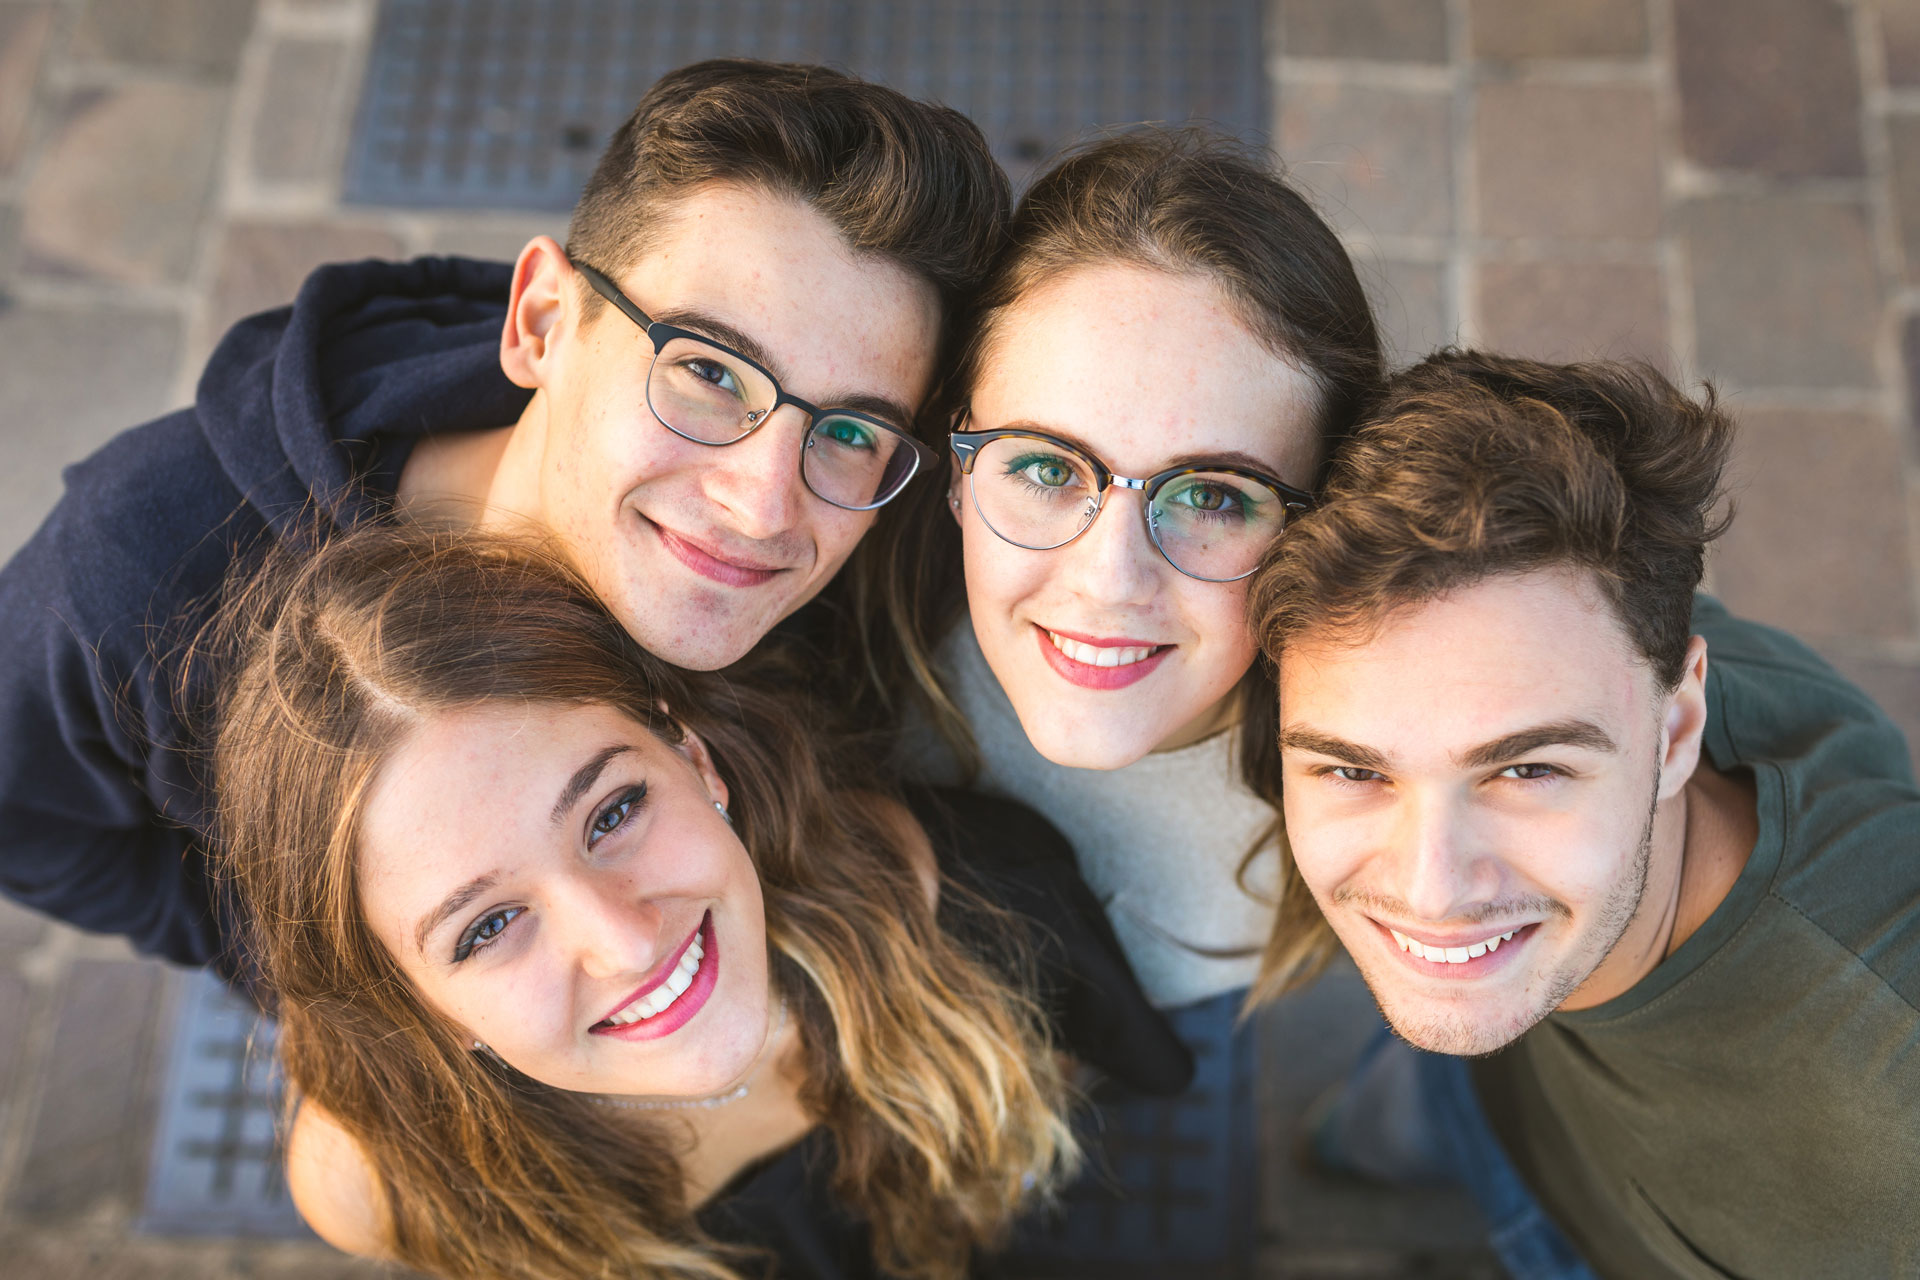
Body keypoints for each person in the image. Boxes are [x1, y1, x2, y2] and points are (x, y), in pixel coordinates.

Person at [0, 59, 1008, 971]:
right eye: (708, 372)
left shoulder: (884, 514)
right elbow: (22, 822)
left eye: (848, 430)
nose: (761, 502)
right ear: (541, 323)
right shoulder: (137, 568)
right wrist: (325, 961)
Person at [206, 519, 1192, 1280]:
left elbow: (1079, 1061)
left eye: (613, 809)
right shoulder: (383, 1176)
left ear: (693, 754)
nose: (626, 942)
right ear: (422, 1004)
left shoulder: (982, 905)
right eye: (489, 925)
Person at [1250, 351, 1920, 1279]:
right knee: (1391, 1120)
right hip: (1488, 1082)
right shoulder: (1596, 637)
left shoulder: (1893, 1089)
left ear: (1678, 726)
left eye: (1524, 769)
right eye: (1353, 771)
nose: (1429, 886)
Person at [882, 129, 1383, 1270]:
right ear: (958, 463)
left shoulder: (1372, 739)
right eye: (1047, 465)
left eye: (1213, 491)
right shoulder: (849, 623)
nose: (1111, 578)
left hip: (1193, 1014)